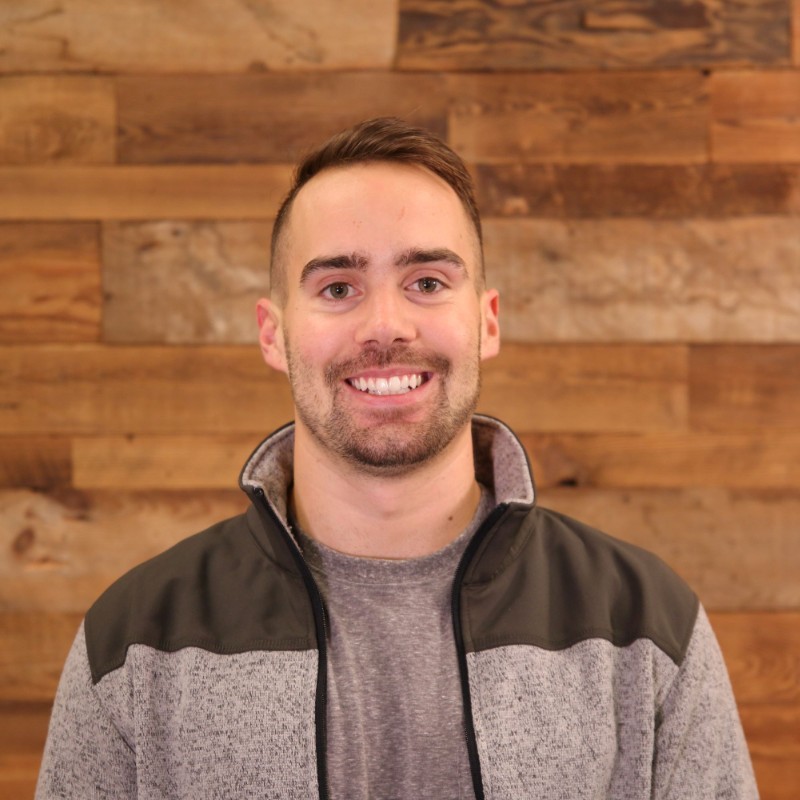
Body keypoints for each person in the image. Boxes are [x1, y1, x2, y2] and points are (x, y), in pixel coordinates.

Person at [36, 117, 757, 799]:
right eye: (338, 288)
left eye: (428, 283)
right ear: (272, 332)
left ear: (486, 319)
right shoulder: (132, 642)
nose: (386, 325)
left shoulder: (645, 624)